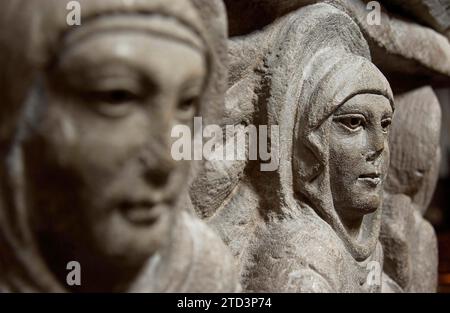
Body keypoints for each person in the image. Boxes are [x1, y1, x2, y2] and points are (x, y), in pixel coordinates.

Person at [0, 0, 238, 292]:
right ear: (18, 108)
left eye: (187, 104)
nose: (167, 159)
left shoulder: (202, 272)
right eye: (117, 96)